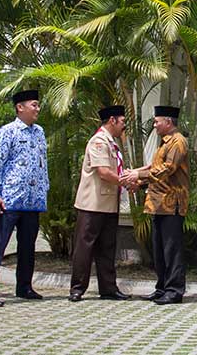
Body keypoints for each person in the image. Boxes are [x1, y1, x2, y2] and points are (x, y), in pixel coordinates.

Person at [0, 89, 49, 307]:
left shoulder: (39, 132)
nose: (37, 109)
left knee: (28, 245)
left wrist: (44, 190)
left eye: (37, 104)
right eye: (34, 104)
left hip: (33, 200)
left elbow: (43, 165)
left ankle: (24, 286)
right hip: (10, 198)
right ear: (20, 107)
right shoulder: (8, 131)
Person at [68, 105, 134, 302]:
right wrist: (126, 181)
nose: (124, 126)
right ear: (112, 120)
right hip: (92, 204)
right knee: (85, 247)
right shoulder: (98, 141)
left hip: (108, 204)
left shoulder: (111, 142)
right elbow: (103, 172)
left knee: (107, 248)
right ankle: (77, 288)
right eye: (122, 121)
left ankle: (108, 288)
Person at [128, 105, 189, 305]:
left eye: (157, 121)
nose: (154, 125)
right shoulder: (164, 143)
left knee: (172, 250)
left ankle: (174, 290)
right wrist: (139, 181)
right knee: (160, 250)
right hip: (158, 203)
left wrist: (139, 175)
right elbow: (155, 169)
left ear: (168, 122)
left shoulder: (178, 142)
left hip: (172, 204)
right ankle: (162, 287)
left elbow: (167, 168)